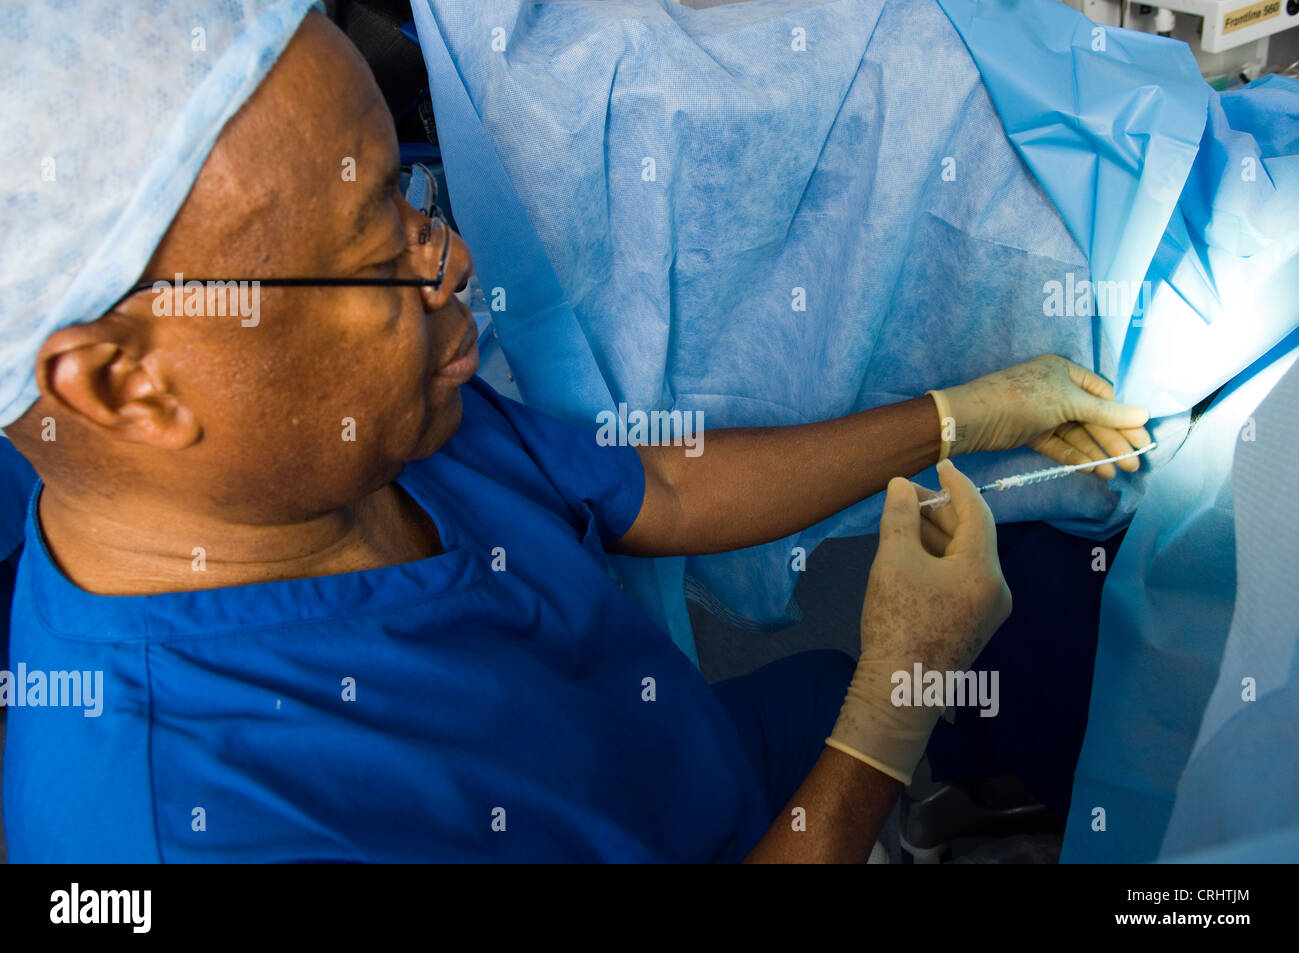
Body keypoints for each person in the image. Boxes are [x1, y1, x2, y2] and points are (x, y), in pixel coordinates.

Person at [0, 8, 1149, 862]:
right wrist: (883, 719)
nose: (445, 257)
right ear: (127, 384)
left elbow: (652, 489)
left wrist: (960, 413)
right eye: (372, 253)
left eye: (414, 199)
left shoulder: (361, 438)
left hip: (695, 774)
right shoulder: (193, 818)